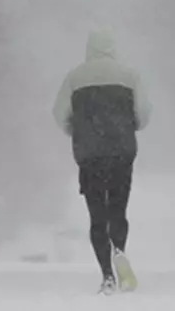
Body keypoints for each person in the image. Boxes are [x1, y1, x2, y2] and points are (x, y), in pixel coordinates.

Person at [53, 29, 151, 294]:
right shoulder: (129, 76)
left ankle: (107, 275)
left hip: (90, 155)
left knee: (97, 215)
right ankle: (119, 249)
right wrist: (132, 124)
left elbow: (59, 113)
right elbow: (143, 113)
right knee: (118, 210)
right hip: (121, 153)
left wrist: (76, 130)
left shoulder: (75, 78)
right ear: (112, 48)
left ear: (89, 49)